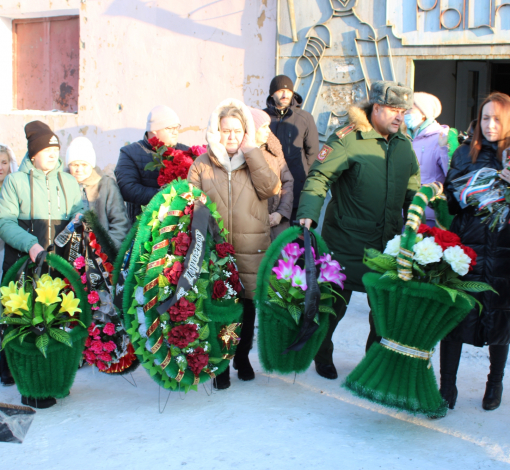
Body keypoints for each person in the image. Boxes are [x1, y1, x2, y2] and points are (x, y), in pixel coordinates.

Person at [297, 81, 421, 380]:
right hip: (346, 242)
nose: (399, 117)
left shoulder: (403, 145)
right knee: (333, 306)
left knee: (382, 310)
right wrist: (307, 216)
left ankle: (372, 361)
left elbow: (412, 187)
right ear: (376, 107)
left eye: (403, 112)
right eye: (393, 110)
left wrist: (419, 219)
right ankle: (322, 353)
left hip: (387, 245)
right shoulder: (347, 139)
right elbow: (318, 177)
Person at [188, 98, 281, 389]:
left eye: (237, 131)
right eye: (226, 130)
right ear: (216, 131)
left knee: (248, 307)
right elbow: (189, 204)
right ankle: (222, 363)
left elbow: (271, 188)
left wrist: (251, 151)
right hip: (216, 252)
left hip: (252, 248)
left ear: (246, 133)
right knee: (221, 307)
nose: (231, 136)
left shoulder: (257, 158)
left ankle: (242, 356)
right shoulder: (202, 164)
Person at [0, 121, 83, 406]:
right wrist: (30, 245)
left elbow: (80, 209)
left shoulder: (69, 181)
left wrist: (80, 217)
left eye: (56, 147)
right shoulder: (15, 182)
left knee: (59, 321)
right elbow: (5, 222)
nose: (53, 153)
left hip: (58, 264)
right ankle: (31, 386)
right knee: (26, 324)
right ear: (33, 153)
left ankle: (56, 378)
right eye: (47, 148)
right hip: (23, 262)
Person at [441, 92, 510, 412]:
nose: (490, 124)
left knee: (499, 320)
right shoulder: (465, 154)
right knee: (455, 317)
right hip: (467, 248)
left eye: (497, 118)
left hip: (504, 252)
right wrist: (469, 189)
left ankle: (494, 384)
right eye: (485, 118)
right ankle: (447, 385)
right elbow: (453, 205)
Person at [115, 105, 190, 224]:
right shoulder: (130, 153)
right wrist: (165, 195)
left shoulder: (186, 152)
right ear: (154, 130)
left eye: (177, 127)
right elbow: (128, 189)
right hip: (143, 227)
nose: (175, 132)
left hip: (180, 227)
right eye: (170, 128)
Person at [264, 75, 319, 223]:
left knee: (295, 239)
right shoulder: (263, 118)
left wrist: (306, 183)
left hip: (296, 190)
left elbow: (312, 153)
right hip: (269, 190)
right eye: (280, 91)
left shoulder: (305, 118)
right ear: (272, 94)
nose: (285, 95)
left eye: (288, 91)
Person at [67, 136, 130, 248]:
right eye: (75, 165)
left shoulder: (106, 185)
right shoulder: (62, 184)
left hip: (100, 257)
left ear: (92, 164)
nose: (79, 169)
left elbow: (120, 222)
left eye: (84, 164)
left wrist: (106, 249)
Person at [404, 92, 450, 226]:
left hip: (428, 216)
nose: (405, 113)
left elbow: (450, 173)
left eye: (410, 109)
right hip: (404, 213)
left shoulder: (440, 138)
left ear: (423, 113)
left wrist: (444, 148)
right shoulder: (403, 137)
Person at [250, 107, 294, 240]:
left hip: (277, 225)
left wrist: (280, 213)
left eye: (268, 126)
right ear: (252, 129)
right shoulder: (241, 156)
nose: (268, 131)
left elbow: (288, 181)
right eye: (264, 127)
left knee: (282, 259)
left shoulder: (274, 150)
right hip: (252, 230)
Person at [0, 143, 18, 387]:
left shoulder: (13, 188)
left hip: (8, 254)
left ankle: (6, 367)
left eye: (4, 162)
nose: (0, 167)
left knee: (7, 311)